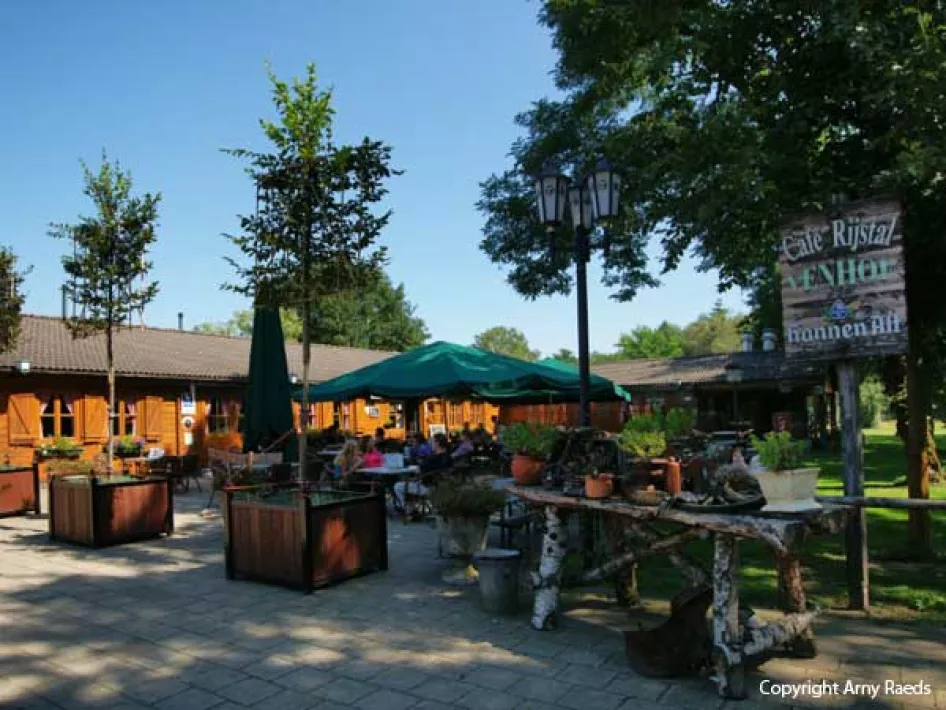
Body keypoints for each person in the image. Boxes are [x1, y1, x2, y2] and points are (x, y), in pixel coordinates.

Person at [393, 433, 451, 509]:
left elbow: (419, 470)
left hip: (428, 488)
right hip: (444, 487)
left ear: (437, 443)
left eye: (432, 442)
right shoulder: (449, 457)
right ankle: (411, 508)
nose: (430, 444)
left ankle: (406, 510)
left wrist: (412, 469)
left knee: (397, 486)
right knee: (410, 482)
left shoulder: (433, 459)